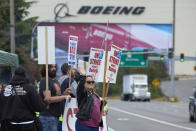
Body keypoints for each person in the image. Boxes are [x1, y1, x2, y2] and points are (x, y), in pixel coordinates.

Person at [0, 66, 48, 131]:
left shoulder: (5, 90)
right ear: (25, 75)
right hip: (27, 125)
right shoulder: (30, 89)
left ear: (14, 75)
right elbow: (39, 107)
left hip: (9, 125)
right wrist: (46, 101)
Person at [39, 64, 71, 131]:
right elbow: (48, 99)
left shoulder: (55, 81)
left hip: (55, 116)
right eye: (51, 67)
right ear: (46, 69)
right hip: (47, 117)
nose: (54, 69)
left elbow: (57, 96)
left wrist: (64, 93)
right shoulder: (45, 81)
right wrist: (64, 96)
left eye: (54, 67)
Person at [57, 63, 78, 131]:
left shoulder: (57, 80)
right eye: (72, 69)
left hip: (58, 114)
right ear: (69, 71)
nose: (74, 71)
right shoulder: (70, 81)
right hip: (68, 115)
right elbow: (79, 94)